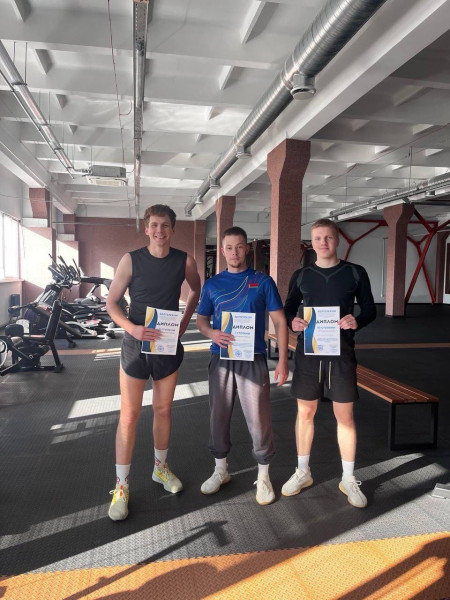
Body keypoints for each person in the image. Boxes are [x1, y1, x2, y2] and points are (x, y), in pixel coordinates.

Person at [106, 204, 201, 521]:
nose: (160, 231)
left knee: (163, 409)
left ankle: (160, 468)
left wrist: (185, 321)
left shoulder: (184, 260)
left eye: (165, 225)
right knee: (130, 415)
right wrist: (130, 327)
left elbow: (196, 288)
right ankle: (121, 486)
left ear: (172, 229)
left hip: (166, 344)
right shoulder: (130, 260)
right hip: (136, 344)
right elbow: (112, 302)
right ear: (146, 229)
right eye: (154, 225)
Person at [282, 218, 376, 508]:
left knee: (344, 416)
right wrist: (292, 321)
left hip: (341, 353)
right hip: (308, 353)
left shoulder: (355, 273)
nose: (323, 242)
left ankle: (348, 478)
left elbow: (370, 309)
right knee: (305, 413)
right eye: (318, 238)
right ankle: (303, 471)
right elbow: (288, 308)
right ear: (311, 243)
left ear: (338, 240)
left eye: (328, 237)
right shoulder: (301, 275)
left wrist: (357, 321)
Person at [196, 226, 289, 506]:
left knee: (259, 419)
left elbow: (280, 321)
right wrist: (212, 333)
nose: (234, 252)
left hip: (253, 359)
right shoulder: (212, 285)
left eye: (239, 246)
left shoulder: (262, 281)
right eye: (229, 247)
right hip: (221, 358)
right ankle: (220, 470)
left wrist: (283, 359)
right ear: (222, 251)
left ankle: (264, 476)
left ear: (247, 248)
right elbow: (201, 320)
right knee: (218, 416)